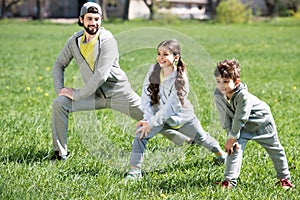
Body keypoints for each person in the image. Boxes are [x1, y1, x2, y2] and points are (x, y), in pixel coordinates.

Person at [51, 2, 190, 161]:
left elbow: (101, 75)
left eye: (97, 19)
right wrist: (60, 90)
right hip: (94, 95)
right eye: (89, 18)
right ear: (81, 19)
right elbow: (59, 64)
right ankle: (60, 154)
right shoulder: (74, 41)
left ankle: (185, 139)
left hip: (119, 93)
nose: (93, 23)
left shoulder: (107, 40)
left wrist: (78, 94)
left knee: (151, 118)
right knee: (60, 103)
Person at [125, 39, 227, 180]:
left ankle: (220, 154)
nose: (161, 57)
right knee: (140, 135)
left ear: (176, 58)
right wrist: (147, 118)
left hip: (182, 119)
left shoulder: (181, 80)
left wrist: (152, 122)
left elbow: (170, 108)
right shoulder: (153, 70)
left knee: (202, 138)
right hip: (158, 117)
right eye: (159, 53)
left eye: (166, 54)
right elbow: (145, 96)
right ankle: (135, 171)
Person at [213, 59, 294, 189]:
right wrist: (231, 137)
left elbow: (240, 117)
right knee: (234, 149)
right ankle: (229, 181)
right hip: (243, 127)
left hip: (262, 122)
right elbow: (224, 117)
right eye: (218, 81)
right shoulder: (218, 94)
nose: (221, 85)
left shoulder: (243, 96)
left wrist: (233, 136)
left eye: (226, 81)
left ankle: (284, 179)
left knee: (275, 149)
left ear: (237, 82)